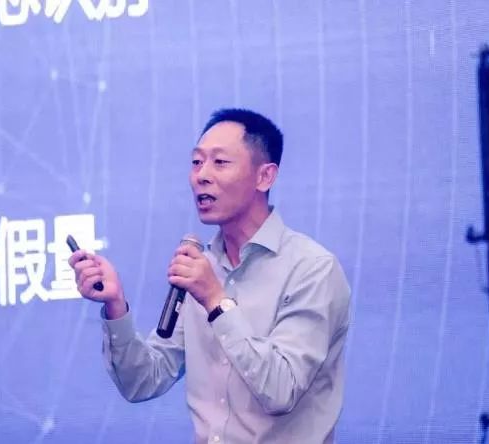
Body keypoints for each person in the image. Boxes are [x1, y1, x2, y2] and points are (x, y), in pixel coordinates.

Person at [69, 108, 351, 444]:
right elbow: (143, 380)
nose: (201, 175)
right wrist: (116, 306)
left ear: (265, 177)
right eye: (196, 162)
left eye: (220, 162)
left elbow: (281, 390)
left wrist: (216, 301)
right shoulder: (203, 267)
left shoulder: (312, 269)